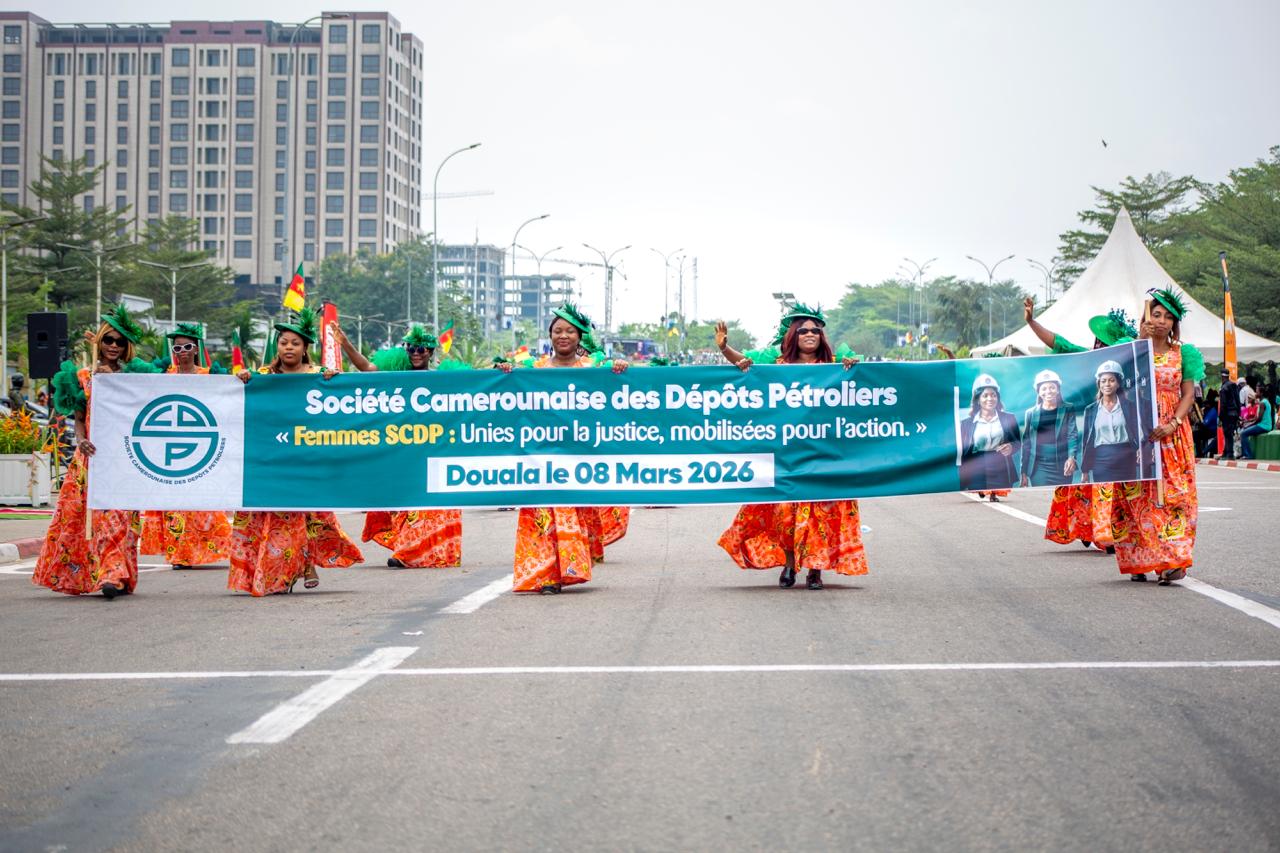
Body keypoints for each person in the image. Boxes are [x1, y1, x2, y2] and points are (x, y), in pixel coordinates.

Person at [714, 303, 865, 591]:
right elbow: (744, 363)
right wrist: (724, 348)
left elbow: (863, 376)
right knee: (783, 512)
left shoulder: (835, 364)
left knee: (822, 512)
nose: (810, 334)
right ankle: (790, 563)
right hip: (786, 454)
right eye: (803, 330)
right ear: (792, 335)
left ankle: (816, 570)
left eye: (815, 330)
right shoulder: (776, 366)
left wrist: (852, 364)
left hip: (825, 453)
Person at [228, 308, 363, 596]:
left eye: (295, 343)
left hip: (306, 459)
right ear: (277, 346)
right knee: (274, 517)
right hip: (271, 459)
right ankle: (287, 570)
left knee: (306, 515)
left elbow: (341, 403)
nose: (288, 347)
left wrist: (335, 382)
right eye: (284, 342)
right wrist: (241, 378)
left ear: (305, 349)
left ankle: (305, 564)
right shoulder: (262, 376)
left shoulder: (318, 376)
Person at [497, 303, 629, 594]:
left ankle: (566, 570)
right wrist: (504, 371)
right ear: (550, 336)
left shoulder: (592, 369)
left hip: (577, 459)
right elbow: (503, 392)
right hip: (539, 457)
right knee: (541, 514)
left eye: (569, 331)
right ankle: (545, 576)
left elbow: (617, 394)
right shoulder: (534, 370)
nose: (563, 336)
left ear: (579, 337)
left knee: (569, 513)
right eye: (557, 331)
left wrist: (619, 368)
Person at [32, 305, 158, 599]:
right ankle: (102, 575)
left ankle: (115, 575)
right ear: (99, 342)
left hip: (125, 460)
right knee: (88, 520)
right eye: (108, 340)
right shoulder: (83, 377)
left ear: (126, 347)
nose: (114, 346)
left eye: (120, 342)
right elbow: (79, 418)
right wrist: (81, 441)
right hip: (92, 460)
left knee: (120, 519)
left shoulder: (134, 376)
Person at [332, 322, 465, 569]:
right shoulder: (396, 374)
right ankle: (407, 549)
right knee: (405, 502)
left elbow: (479, 390)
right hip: (404, 449)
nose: (415, 354)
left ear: (430, 352)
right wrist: (345, 344)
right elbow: (367, 369)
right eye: (411, 349)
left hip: (434, 448)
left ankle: (424, 552)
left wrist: (504, 371)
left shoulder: (443, 379)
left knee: (433, 505)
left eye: (421, 349)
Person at [1110, 288, 1203, 585]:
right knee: (1137, 496)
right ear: (1146, 318)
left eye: (1168, 317)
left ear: (1174, 323)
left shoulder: (1183, 354)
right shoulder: (1130, 348)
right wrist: (1140, 341)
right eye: (1157, 315)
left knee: (1176, 495)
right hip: (1137, 433)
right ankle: (1139, 559)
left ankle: (1172, 561)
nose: (1162, 321)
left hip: (1172, 435)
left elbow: (1188, 395)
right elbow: (1119, 382)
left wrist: (1173, 423)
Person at [140, 323, 233, 571]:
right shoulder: (162, 376)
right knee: (175, 505)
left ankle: (203, 550)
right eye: (177, 347)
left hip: (201, 445)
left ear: (196, 349)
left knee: (202, 504)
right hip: (169, 447)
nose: (182, 351)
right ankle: (180, 554)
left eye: (187, 346)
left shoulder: (210, 376)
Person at [1081, 360, 1141, 483]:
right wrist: (1084, 471)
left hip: (1126, 460)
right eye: (1103, 381)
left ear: (1118, 383)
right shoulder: (1090, 410)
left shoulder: (1130, 406)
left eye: (1111, 380)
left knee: (1127, 494)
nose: (1107, 384)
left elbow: (1139, 432)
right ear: (1099, 384)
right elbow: (1086, 441)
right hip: (1101, 462)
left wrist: (1141, 448)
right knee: (1104, 494)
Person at [959, 375, 1020, 494]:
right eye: (985, 395)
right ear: (977, 399)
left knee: (997, 497)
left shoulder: (1009, 418)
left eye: (993, 395)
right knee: (978, 499)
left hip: (1000, 464)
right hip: (976, 467)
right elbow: (962, 451)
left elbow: (1018, 442)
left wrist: (1011, 447)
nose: (990, 399)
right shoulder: (966, 424)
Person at [1019, 369, 1079, 488]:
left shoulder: (1068, 409)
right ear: (1038, 391)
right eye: (1044, 388)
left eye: (1052, 387)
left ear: (1058, 389)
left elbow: (1072, 435)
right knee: (1043, 496)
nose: (1048, 391)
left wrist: (1071, 457)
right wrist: (1023, 472)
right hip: (1039, 466)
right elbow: (1026, 444)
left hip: (1063, 465)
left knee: (1062, 496)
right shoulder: (1030, 413)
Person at [1240, 390, 1273, 459]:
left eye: (1257, 392)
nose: (1255, 393)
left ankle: (1248, 455)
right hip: (1264, 425)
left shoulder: (1262, 403)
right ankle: (1243, 453)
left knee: (1243, 434)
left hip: (1263, 426)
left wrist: (1249, 425)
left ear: (1261, 393)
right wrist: (1246, 421)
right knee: (1244, 430)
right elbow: (1256, 418)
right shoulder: (1264, 402)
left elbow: (1259, 419)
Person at [1217, 369, 1241, 460]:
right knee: (1229, 433)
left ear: (1222, 376)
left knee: (1227, 434)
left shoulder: (1223, 388)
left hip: (1227, 414)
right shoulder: (1234, 385)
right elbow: (1238, 401)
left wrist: (1220, 417)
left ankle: (1230, 454)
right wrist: (1238, 414)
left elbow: (1223, 405)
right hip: (1234, 413)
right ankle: (1225, 452)